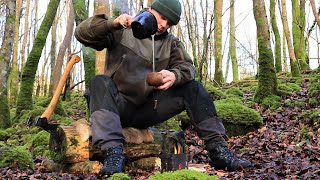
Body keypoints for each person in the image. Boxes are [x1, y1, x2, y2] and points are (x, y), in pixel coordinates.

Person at [75, 0, 251, 176]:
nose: (164, 25)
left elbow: (188, 68)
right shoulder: (122, 30)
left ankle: (219, 151)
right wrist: (112, 23)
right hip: (117, 107)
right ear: (151, 9)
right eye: (163, 18)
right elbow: (82, 34)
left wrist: (175, 75)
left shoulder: (171, 43)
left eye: (170, 23)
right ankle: (113, 154)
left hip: (148, 110)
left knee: (194, 88)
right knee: (99, 81)